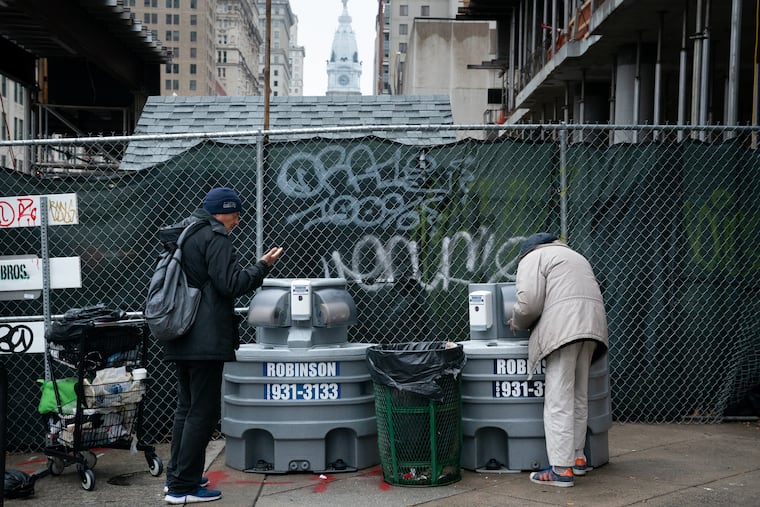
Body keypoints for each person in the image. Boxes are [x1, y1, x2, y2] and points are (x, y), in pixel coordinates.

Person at [161, 187, 284, 504]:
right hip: (204, 338)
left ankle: (178, 477)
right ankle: (183, 488)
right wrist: (263, 266)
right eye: (235, 215)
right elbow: (231, 284)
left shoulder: (188, 233)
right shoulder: (215, 237)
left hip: (180, 332)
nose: (238, 221)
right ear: (223, 212)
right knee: (201, 412)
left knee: (186, 409)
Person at [509, 233, 608, 488]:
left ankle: (560, 470)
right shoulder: (574, 256)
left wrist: (516, 322)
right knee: (578, 395)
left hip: (564, 328)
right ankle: (577, 458)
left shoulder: (533, 257)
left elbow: (528, 304)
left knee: (558, 398)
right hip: (592, 325)